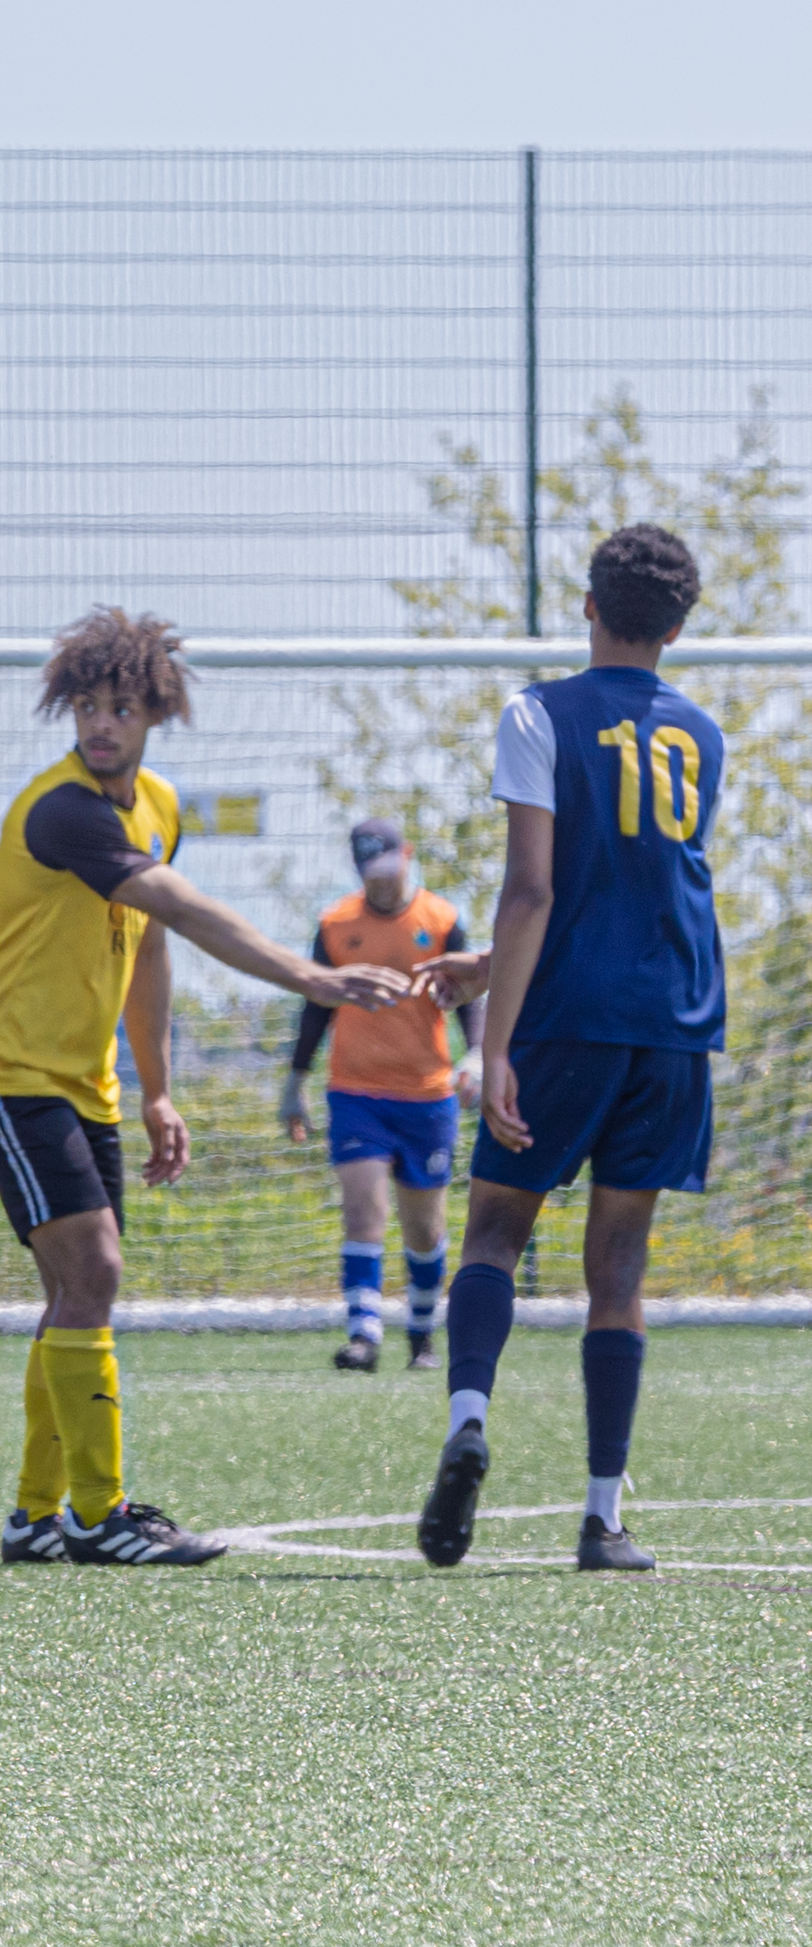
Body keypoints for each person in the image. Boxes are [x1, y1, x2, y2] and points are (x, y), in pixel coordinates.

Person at [0, 608, 409, 1570]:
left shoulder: (157, 802)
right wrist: (312, 977)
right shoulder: (64, 807)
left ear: (154, 712)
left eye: (121, 707)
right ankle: (98, 1511)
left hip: (83, 1081)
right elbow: (181, 909)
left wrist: (155, 1091)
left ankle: (37, 1515)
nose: (102, 723)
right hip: (2, 1072)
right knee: (96, 1274)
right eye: (87, 705)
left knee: (75, 1286)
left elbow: (146, 944)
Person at [411, 525, 721, 1576]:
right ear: (678, 627)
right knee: (618, 1265)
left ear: (586, 605)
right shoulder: (702, 734)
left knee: (495, 1230)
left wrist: (493, 1035)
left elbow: (541, 885)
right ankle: (602, 1518)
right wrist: (488, 962)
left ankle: (466, 1415)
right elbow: (628, 890)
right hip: (675, 1024)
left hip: (567, 1017)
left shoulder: (538, 710)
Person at [280, 818, 482, 1372]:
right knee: (363, 1210)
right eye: (371, 872)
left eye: (390, 868)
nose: (383, 882)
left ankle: (421, 1334)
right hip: (356, 1093)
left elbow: (469, 996)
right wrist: (294, 1084)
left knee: (424, 1228)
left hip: (428, 1096)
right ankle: (364, 1336)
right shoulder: (336, 924)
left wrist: (478, 1056)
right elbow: (315, 1008)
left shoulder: (441, 920)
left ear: (407, 856)